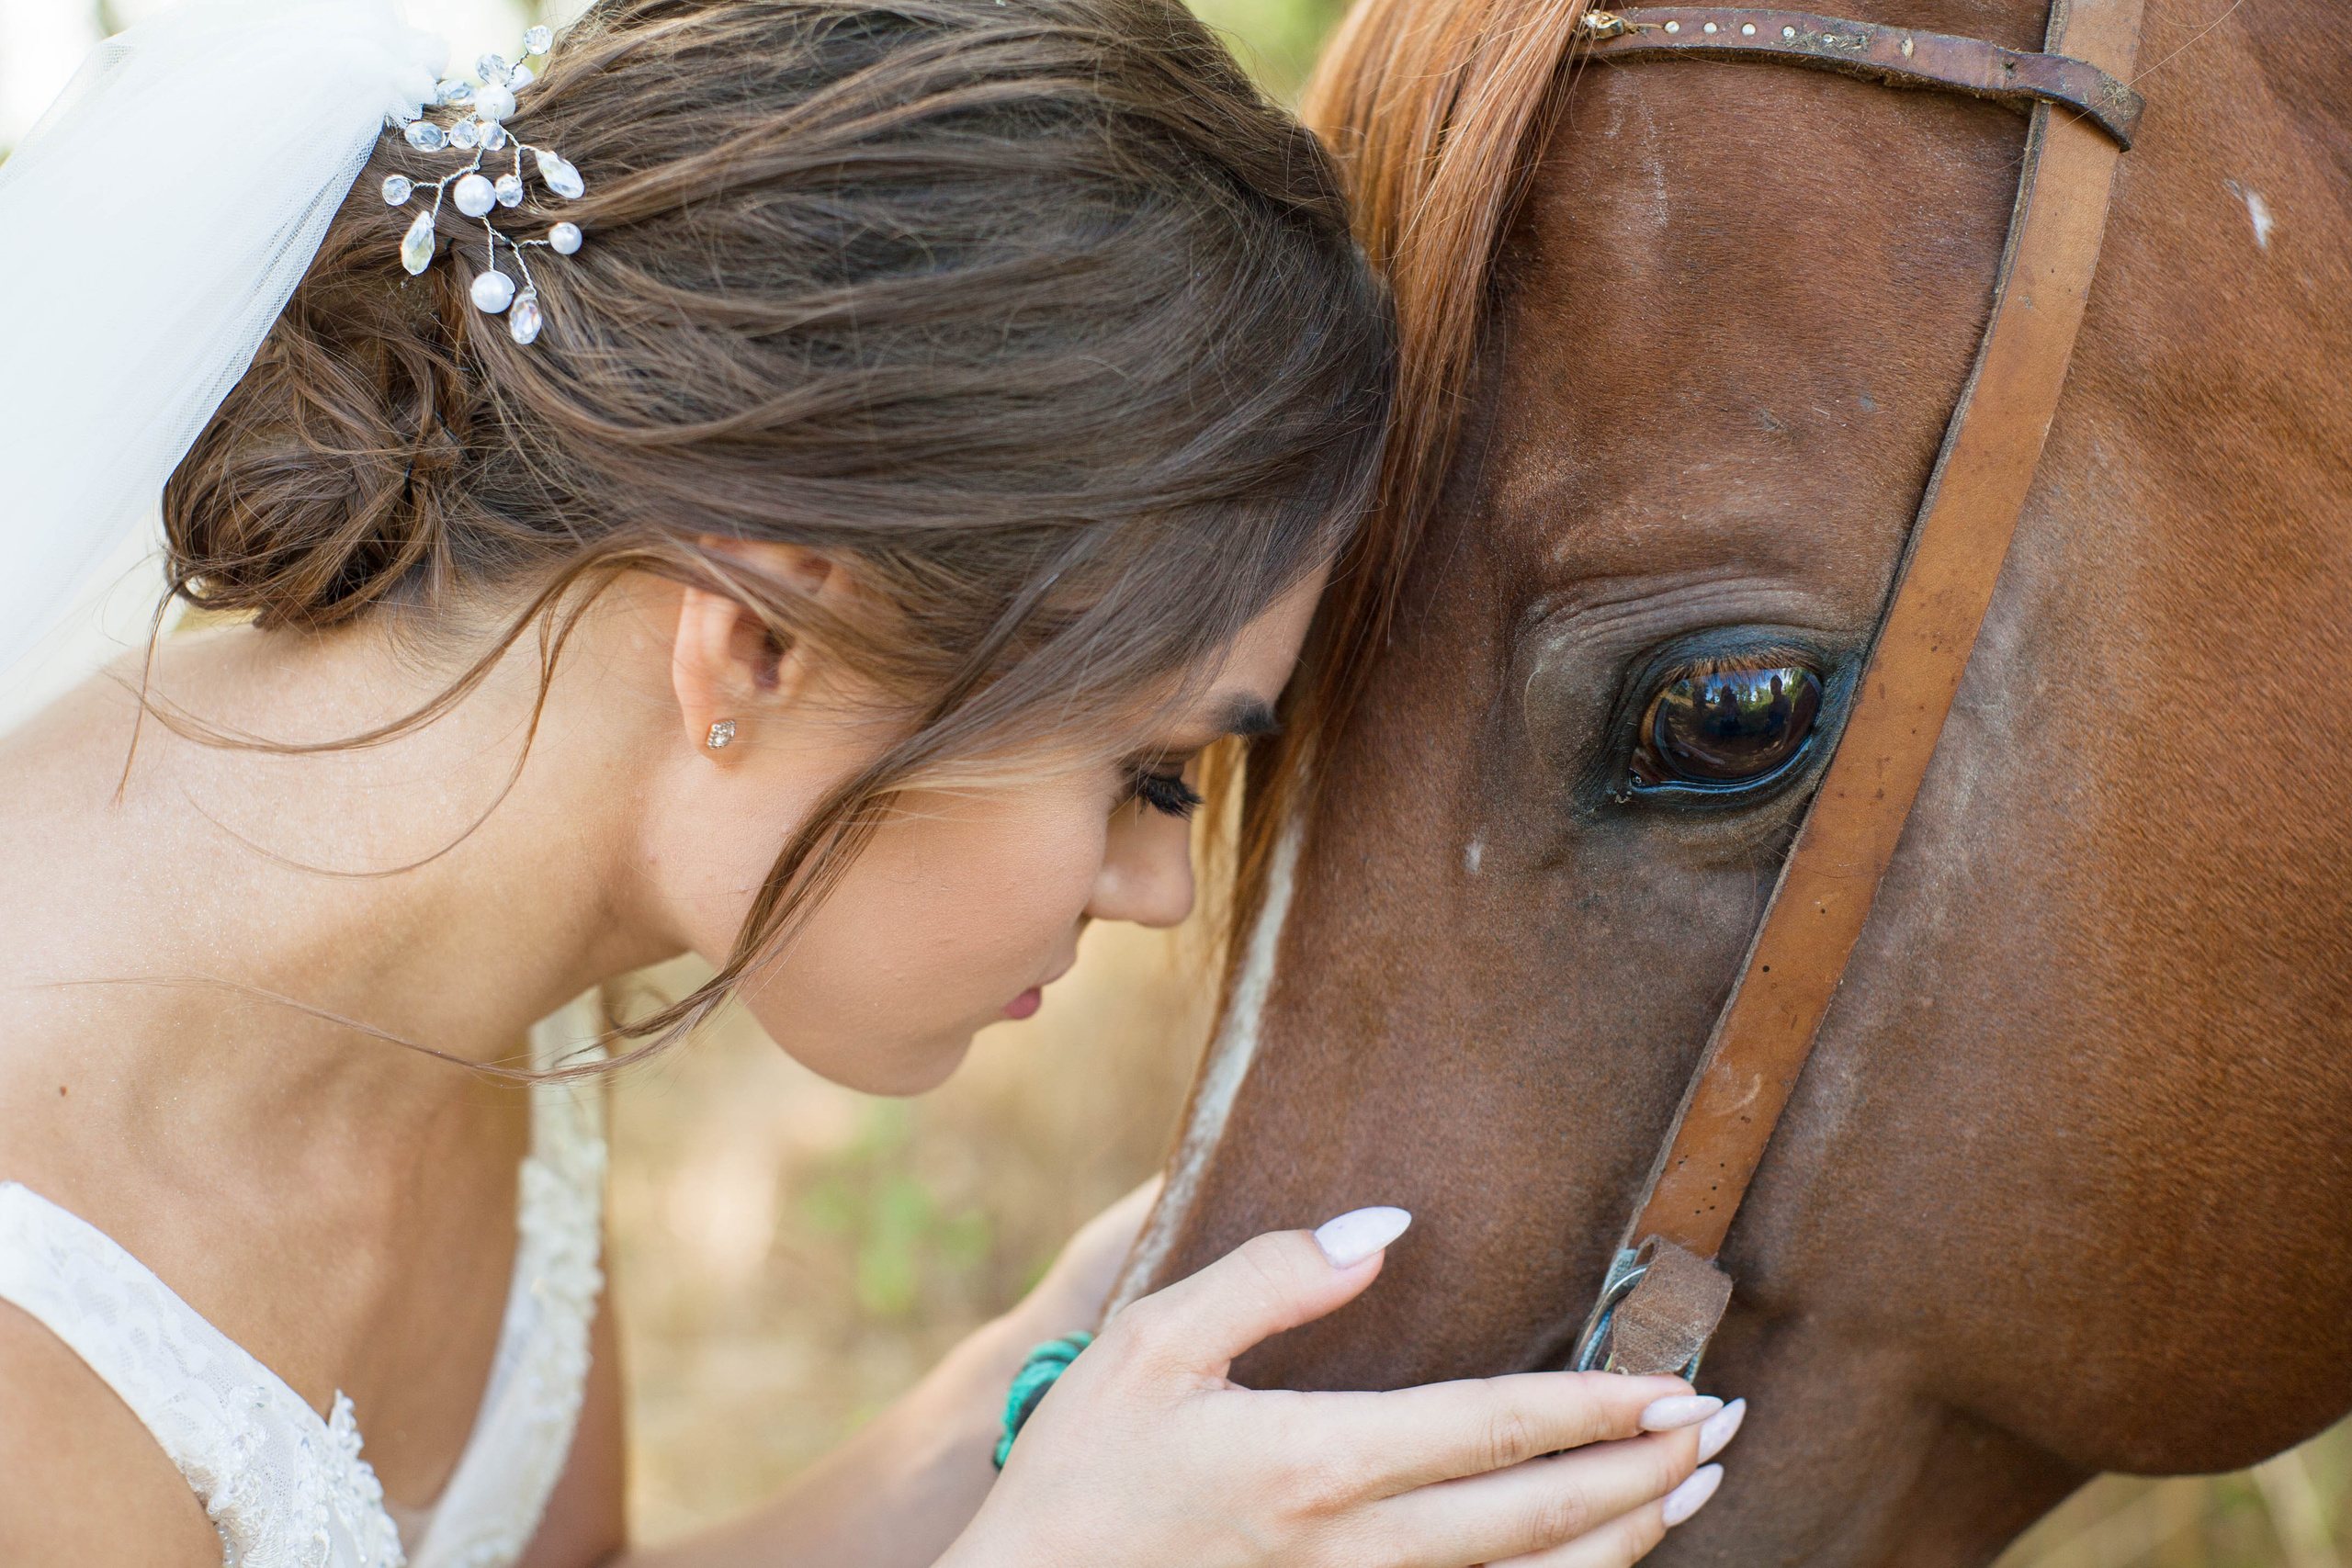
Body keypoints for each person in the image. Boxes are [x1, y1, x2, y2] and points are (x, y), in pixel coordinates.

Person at [0, 0, 1743, 1563]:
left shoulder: (472, 911)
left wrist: (1036, 1389)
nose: (1162, 888)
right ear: (756, 645)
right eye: (1152, 771)